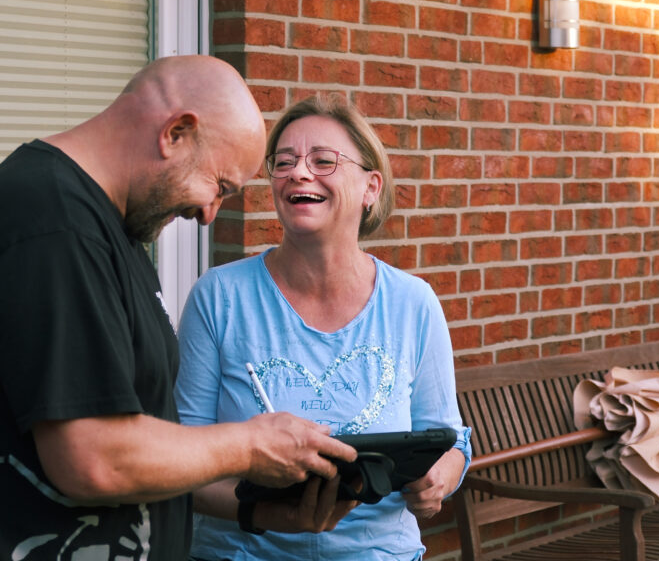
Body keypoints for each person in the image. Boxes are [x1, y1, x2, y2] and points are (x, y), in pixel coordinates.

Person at [0, 56, 358, 561]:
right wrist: (249, 446)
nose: (207, 214)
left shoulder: (106, 228)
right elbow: (93, 458)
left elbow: (140, 441)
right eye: (218, 186)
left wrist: (255, 513)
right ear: (176, 132)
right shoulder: (50, 226)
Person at [174, 95, 472, 560]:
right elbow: (183, 467)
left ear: (371, 186)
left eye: (323, 161)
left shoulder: (414, 304)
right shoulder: (219, 298)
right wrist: (272, 516)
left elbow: (449, 440)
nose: (298, 173)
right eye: (284, 161)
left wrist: (442, 478)